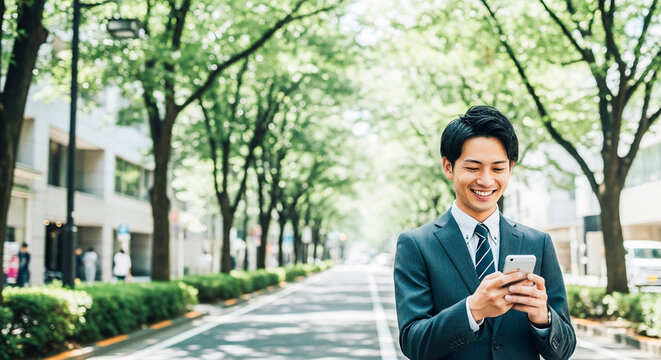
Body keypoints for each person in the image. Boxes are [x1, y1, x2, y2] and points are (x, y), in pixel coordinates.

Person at [394, 105, 576, 360]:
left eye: (498, 169)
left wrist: (542, 318)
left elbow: (564, 350)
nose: (486, 180)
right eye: (473, 167)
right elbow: (413, 342)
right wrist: (473, 310)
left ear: (511, 168)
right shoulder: (416, 245)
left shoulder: (538, 242)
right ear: (448, 167)